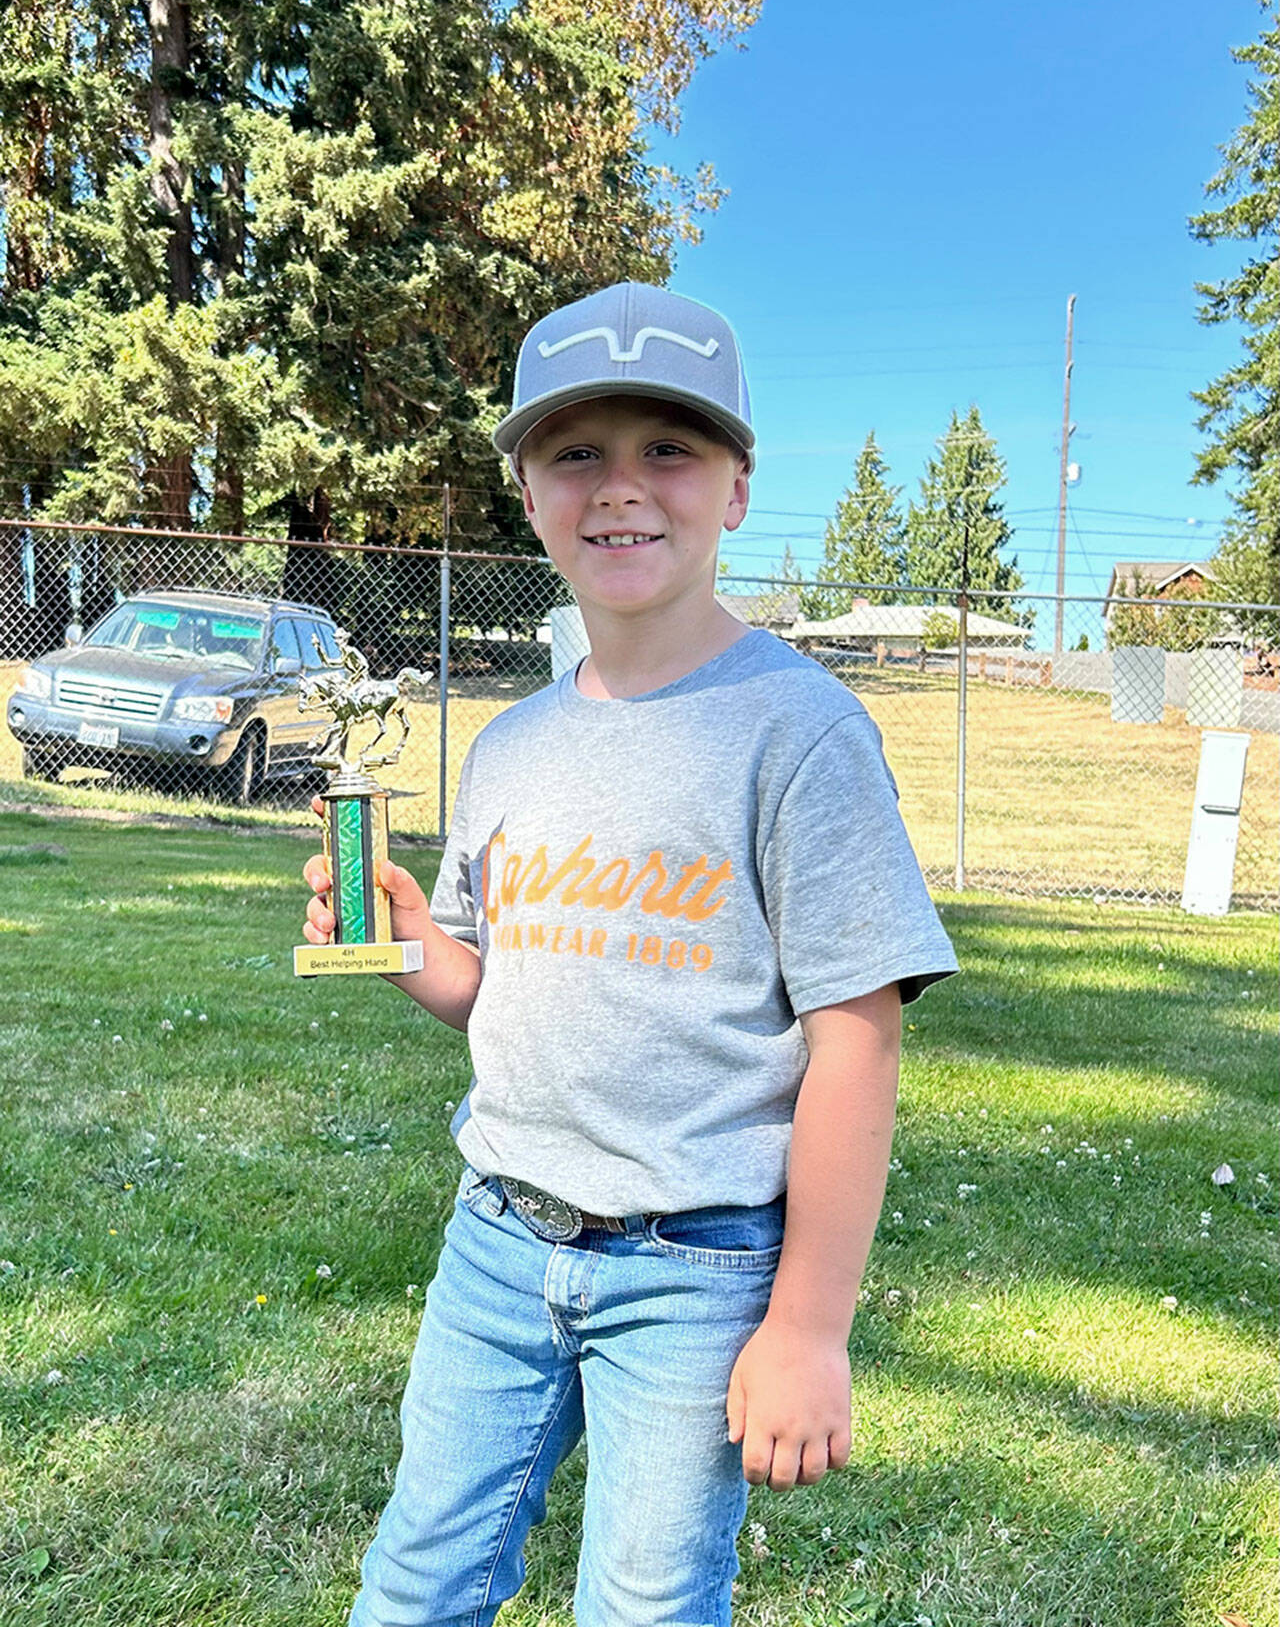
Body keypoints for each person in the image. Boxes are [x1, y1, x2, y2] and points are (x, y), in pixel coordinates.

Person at [301, 281, 959, 1627]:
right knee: (418, 1574)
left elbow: (858, 1037)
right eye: (575, 453)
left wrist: (810, 1327)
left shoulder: (800, 732)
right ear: (529, 494)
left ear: (737, 487)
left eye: (668, 448)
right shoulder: (511, 745)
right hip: (496, 1237)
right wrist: (412, 948)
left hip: (696, 1268)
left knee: (648, 1605)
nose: (619, 489)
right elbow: (492, 987)